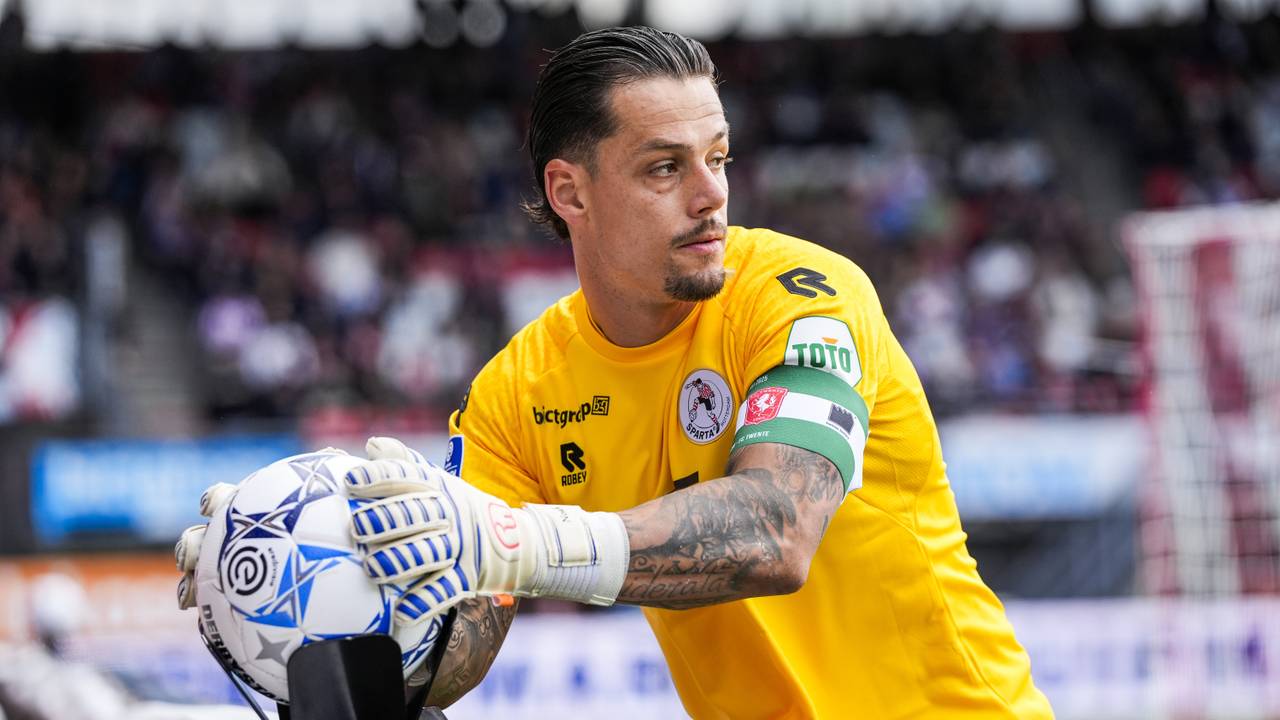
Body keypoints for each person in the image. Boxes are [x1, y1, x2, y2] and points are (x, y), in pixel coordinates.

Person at [180, 25, 1054, 718]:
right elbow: (457, 648)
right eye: (664, 167)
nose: (710, 194)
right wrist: (312, 558)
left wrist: (506, 540)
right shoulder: (517, 394)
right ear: (570, 193)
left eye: (717, 158)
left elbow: (777, 531)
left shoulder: (804, 296)